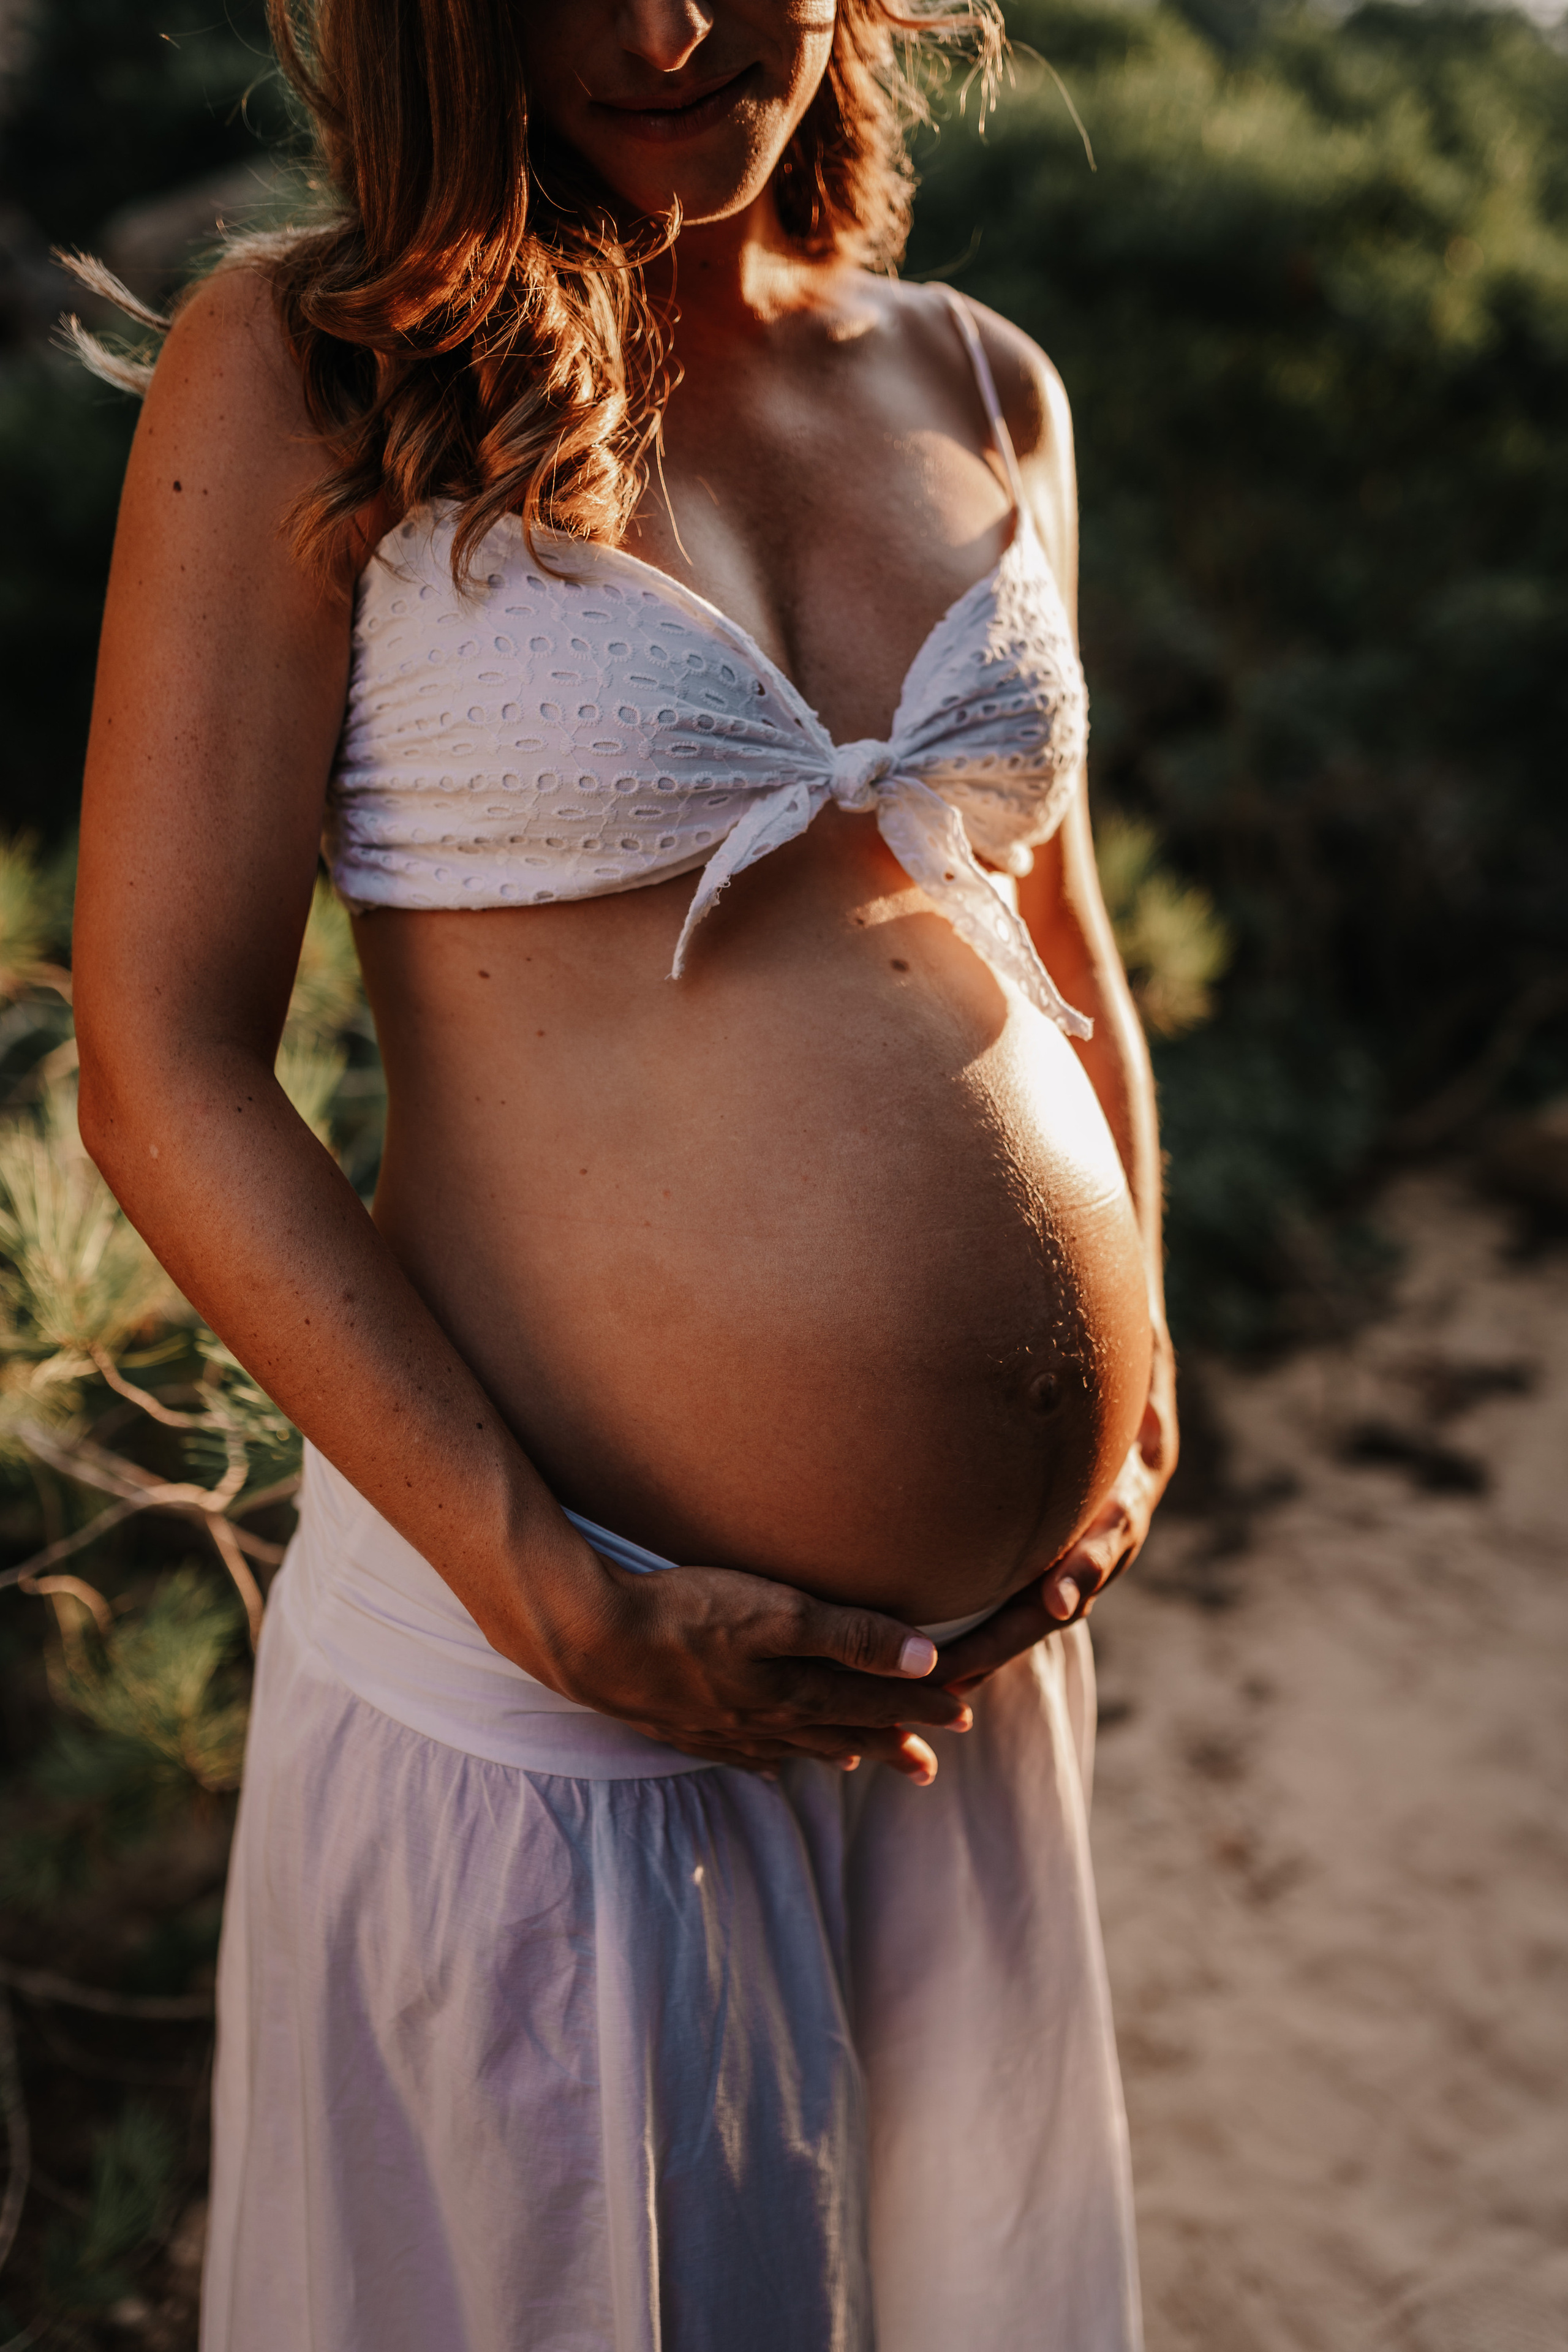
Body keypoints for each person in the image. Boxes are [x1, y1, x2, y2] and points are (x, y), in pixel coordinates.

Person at [72, 0, 1177, 2342]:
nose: (668, 28)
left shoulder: (985, 383)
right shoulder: (309, 369)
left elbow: (1063, 941)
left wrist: (1136, 1378)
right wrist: (540, 1583)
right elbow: (163, 1064)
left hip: (959, 1701)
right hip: (557, 1696)